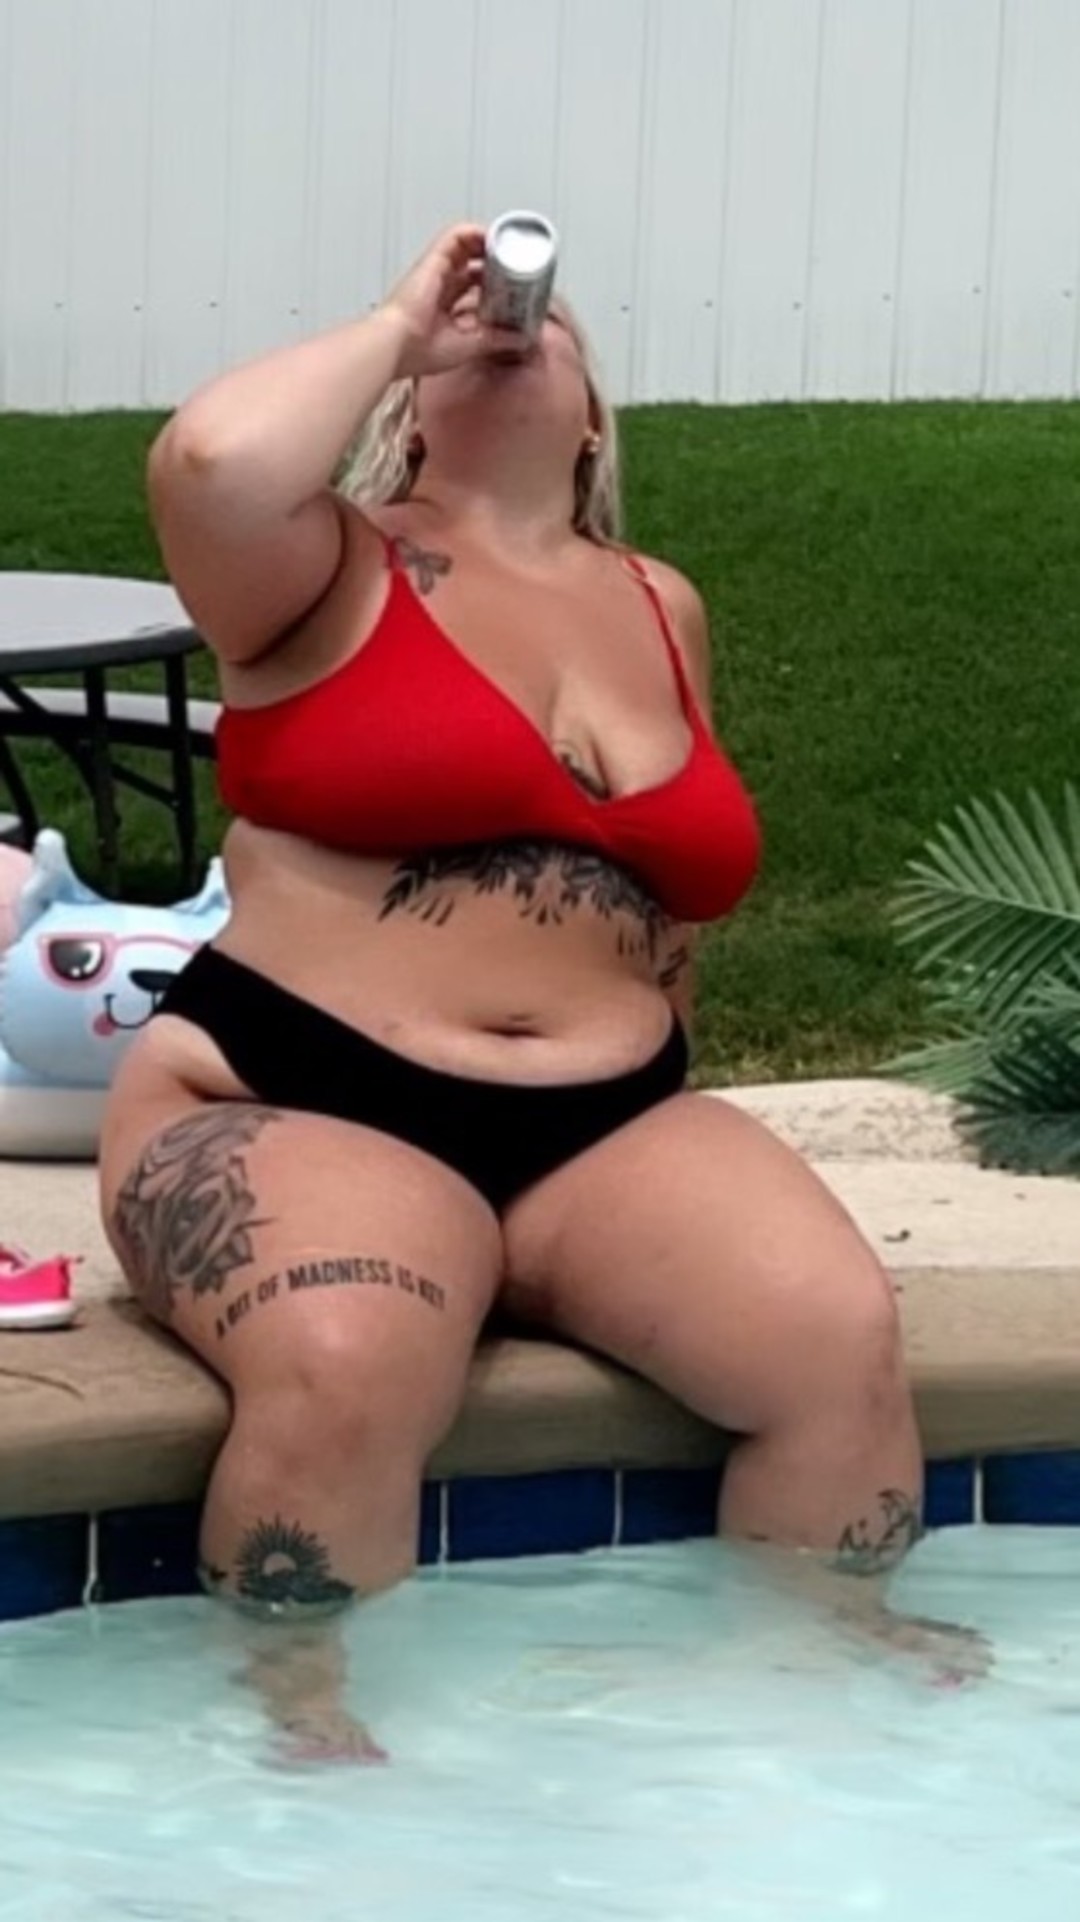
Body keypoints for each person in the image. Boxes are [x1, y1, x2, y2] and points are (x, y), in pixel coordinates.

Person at [98, 223, 977, 1765]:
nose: (514, 325)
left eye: (547, 322)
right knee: (348, 1360)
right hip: (295, 1090)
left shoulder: (658, 603)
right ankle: (296, 1741)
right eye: (475, 325)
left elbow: (670, 887)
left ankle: (811, 1720)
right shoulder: (326, 559)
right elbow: (213, 460)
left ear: (591, 424)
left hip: (602, 1125)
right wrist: (399, 318)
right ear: (408, 406)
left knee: (833, 1340)